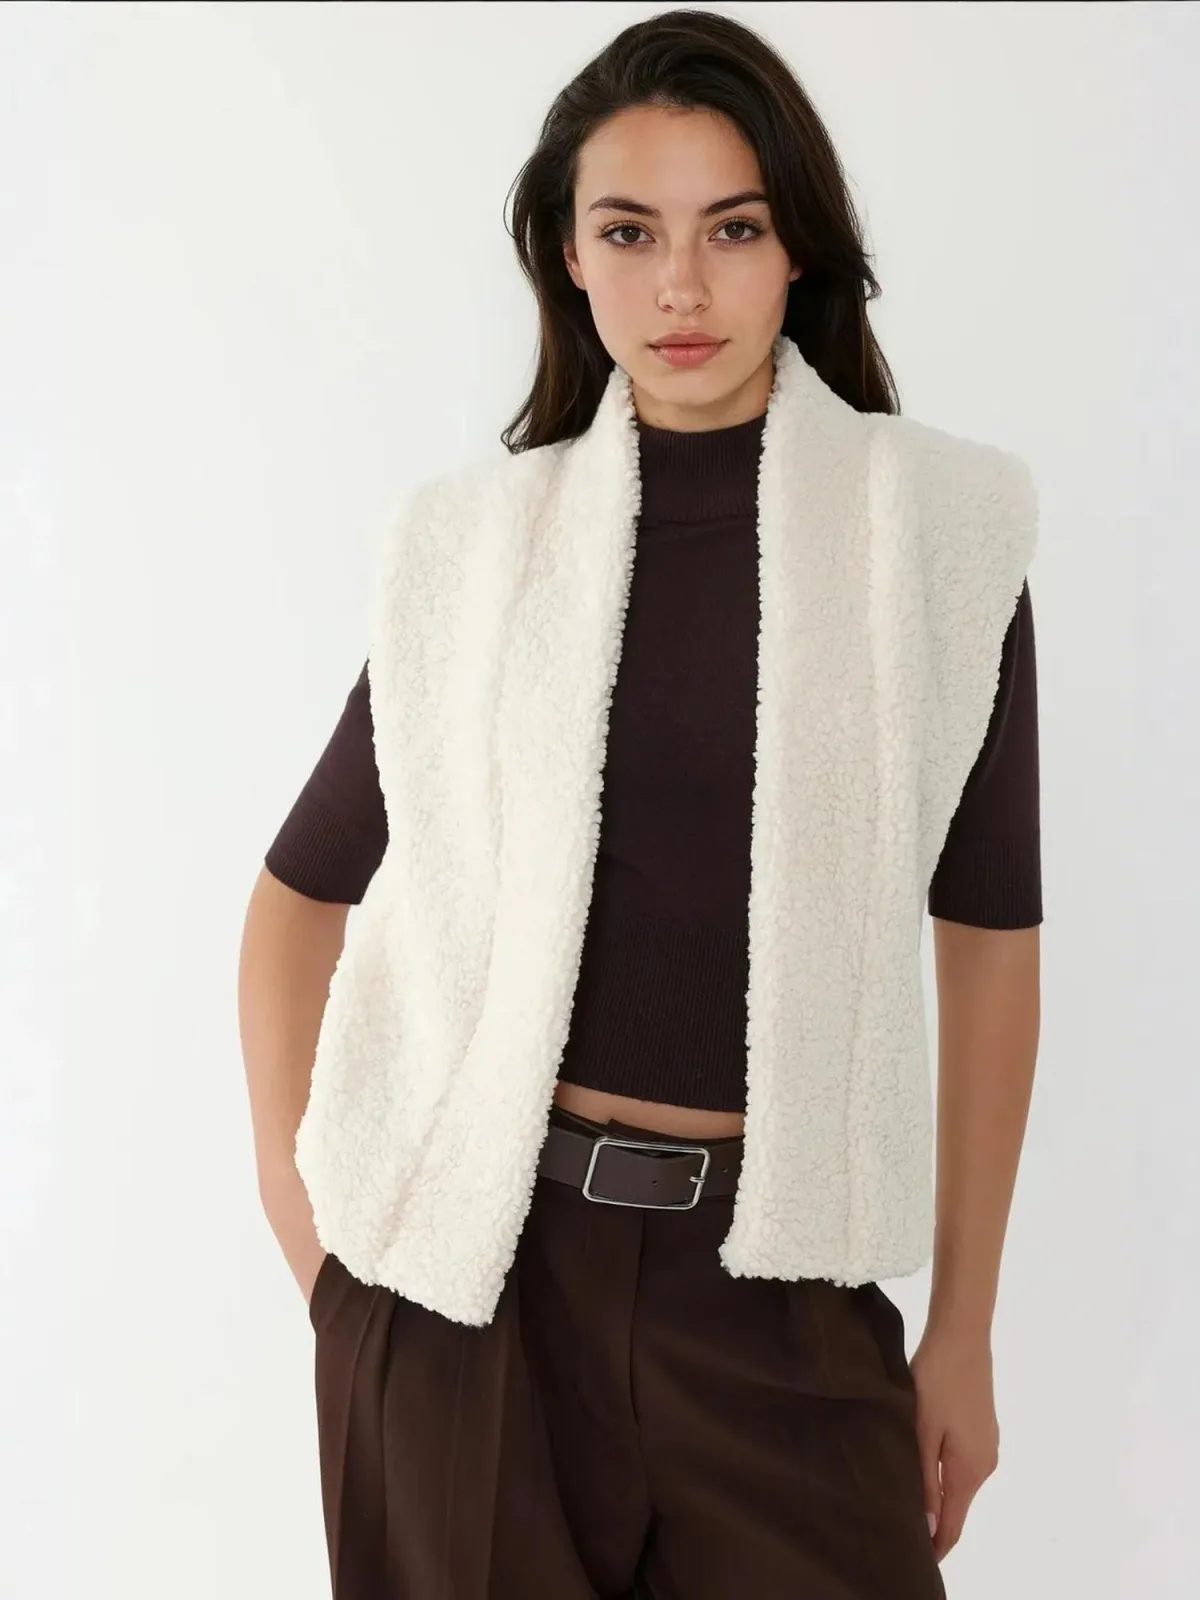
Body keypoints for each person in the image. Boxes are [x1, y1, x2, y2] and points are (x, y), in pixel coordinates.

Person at [237, 9, 1042, 1598]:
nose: (681, 287)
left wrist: (963, 1328)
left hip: (783, 1297)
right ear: (568, 255)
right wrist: (311, 1232)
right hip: (473, 1290)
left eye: (732, 230)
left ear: (798, 250)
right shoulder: (472, 555)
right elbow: (299, 893)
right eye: (630, 232)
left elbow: (992, 939)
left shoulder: (938, 538)